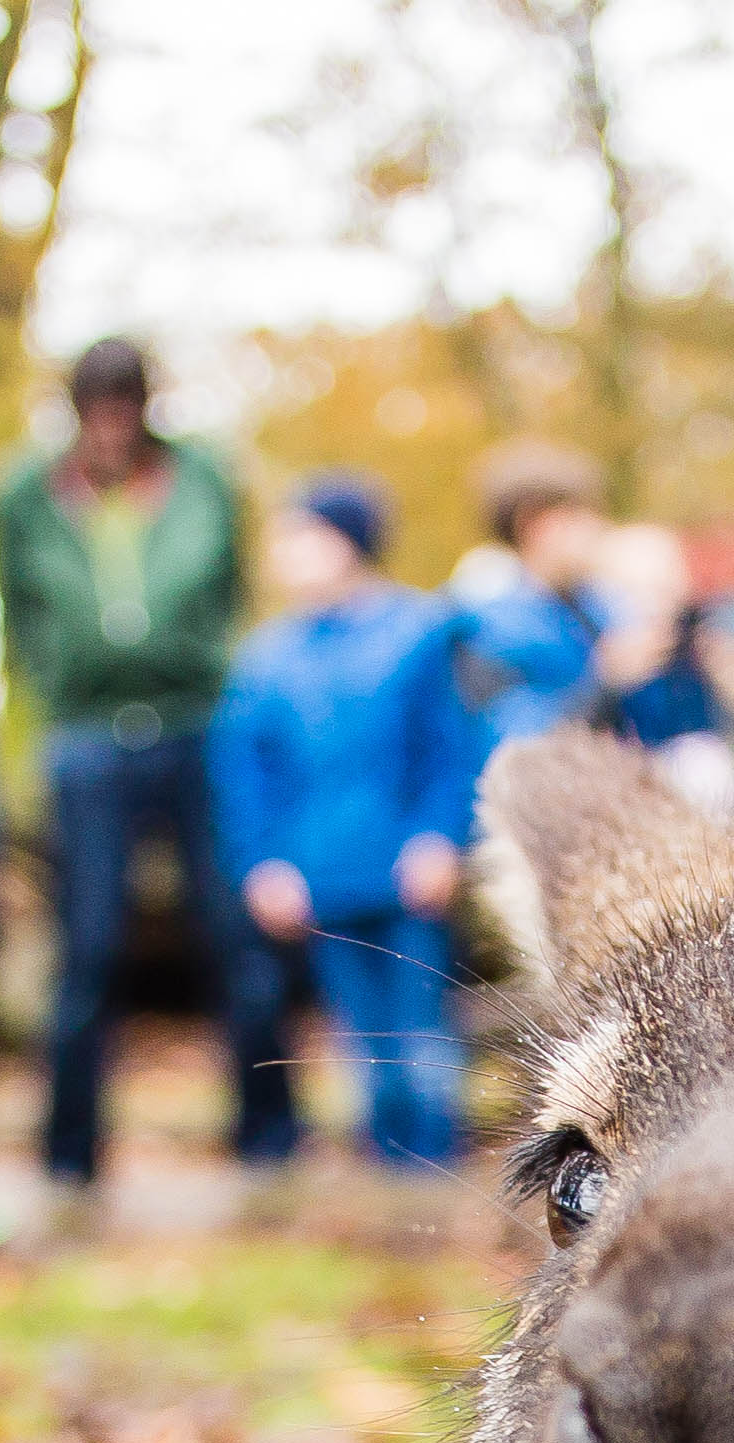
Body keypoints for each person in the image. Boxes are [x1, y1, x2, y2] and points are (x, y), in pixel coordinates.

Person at [0, 336, 289, 1190]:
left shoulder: (204, 479)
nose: (112, 426)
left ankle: (268, 1143)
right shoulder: (24, 494)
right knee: (86, 951)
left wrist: (205, 658)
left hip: (196, 724)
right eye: (97, 408)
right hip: (85, 738)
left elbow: (230, 587)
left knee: (233, 938)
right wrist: (53, 684)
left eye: (126, 406)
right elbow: (18, 609)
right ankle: (68, 1158)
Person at [208, 476, 479, 1171]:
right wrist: (261, 864)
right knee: (359, 1038)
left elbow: (445, 748)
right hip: (320, 877)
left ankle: (435, 1174)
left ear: (347, 543)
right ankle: (384, 1174)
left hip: (404, 872)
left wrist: (439, 838)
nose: (285, 555)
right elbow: (244, 772)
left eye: (302, 537)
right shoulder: (265, 658)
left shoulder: (418, 633)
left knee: (420, 1031)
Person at [454, 448, 734, 834]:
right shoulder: (487, 630)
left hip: (639, 813)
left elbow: (671, 731)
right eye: (581, 515)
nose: (598, 529)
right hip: (565, 833)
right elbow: (520, 750)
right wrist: (605, 682)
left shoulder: (605, 606)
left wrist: (692, 662)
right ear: (534, 522)